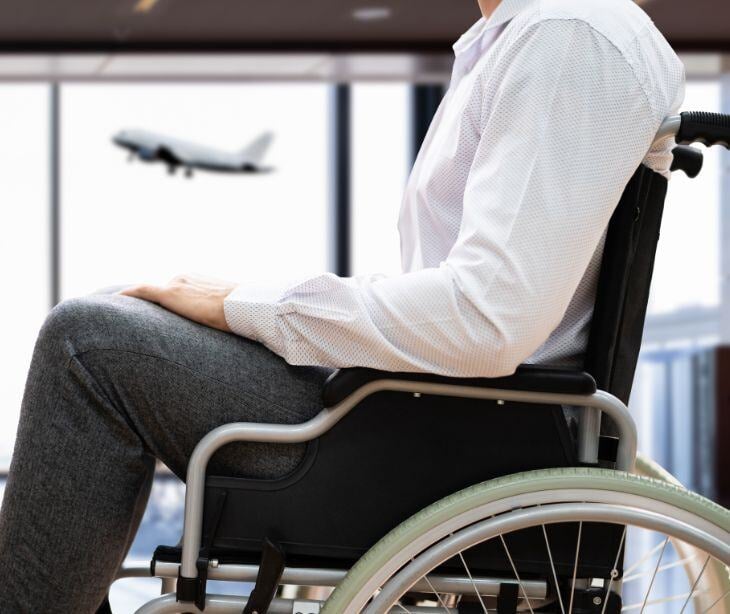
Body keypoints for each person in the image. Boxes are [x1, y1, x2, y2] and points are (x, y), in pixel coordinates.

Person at [0, 0, 684, 611]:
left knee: (86, 345)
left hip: (440, 437)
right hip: (432, 417)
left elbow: (488, 319)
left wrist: (250, 306)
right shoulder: (521, 36)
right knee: (114, 320)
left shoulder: (569, 32)